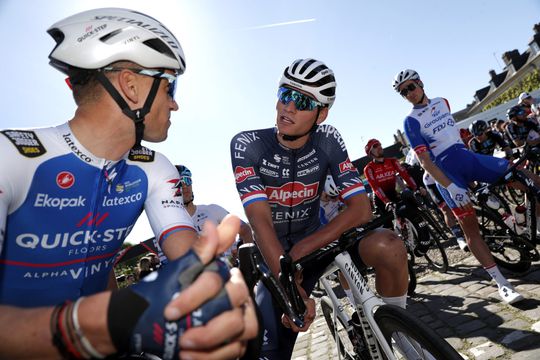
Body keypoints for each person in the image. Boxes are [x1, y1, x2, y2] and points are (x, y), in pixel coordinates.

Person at [0, 8, 256, 359]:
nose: (175, 103)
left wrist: (214, 293)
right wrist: (95, 326)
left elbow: (188, 256)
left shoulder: (153, 168)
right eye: (170, 86)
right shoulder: (10, 157)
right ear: (130, 86)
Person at [230, 58, 408, 359]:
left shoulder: (329, 139)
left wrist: (301, 250)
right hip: (272, 254)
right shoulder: (247, 145)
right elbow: (259, 223)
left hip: (314, 243)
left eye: (301, 101)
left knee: (390, 246)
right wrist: (288, 283)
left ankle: (398, 335)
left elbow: (360, 209)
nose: (288, 106)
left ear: (321, 114)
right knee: (264, 351)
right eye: (284, 94)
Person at [394, 68, 532, 304]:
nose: (408, 93)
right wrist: (451, 187)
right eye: (402, 91)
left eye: (410, 87)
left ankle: (523, 220)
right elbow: (426, 162)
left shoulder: (442, 102)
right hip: (447, 173)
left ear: (420, 83)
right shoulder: (410, 121)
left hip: (467, 158)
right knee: (469, 228)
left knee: (523, 175)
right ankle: (502, 283)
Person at [175, 164, 254, 263]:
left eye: (187, 181)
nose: (185, 186)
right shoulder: (172, 223)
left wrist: (248, 263)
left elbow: (245, 230)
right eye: (180, 184)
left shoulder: (212, 210)